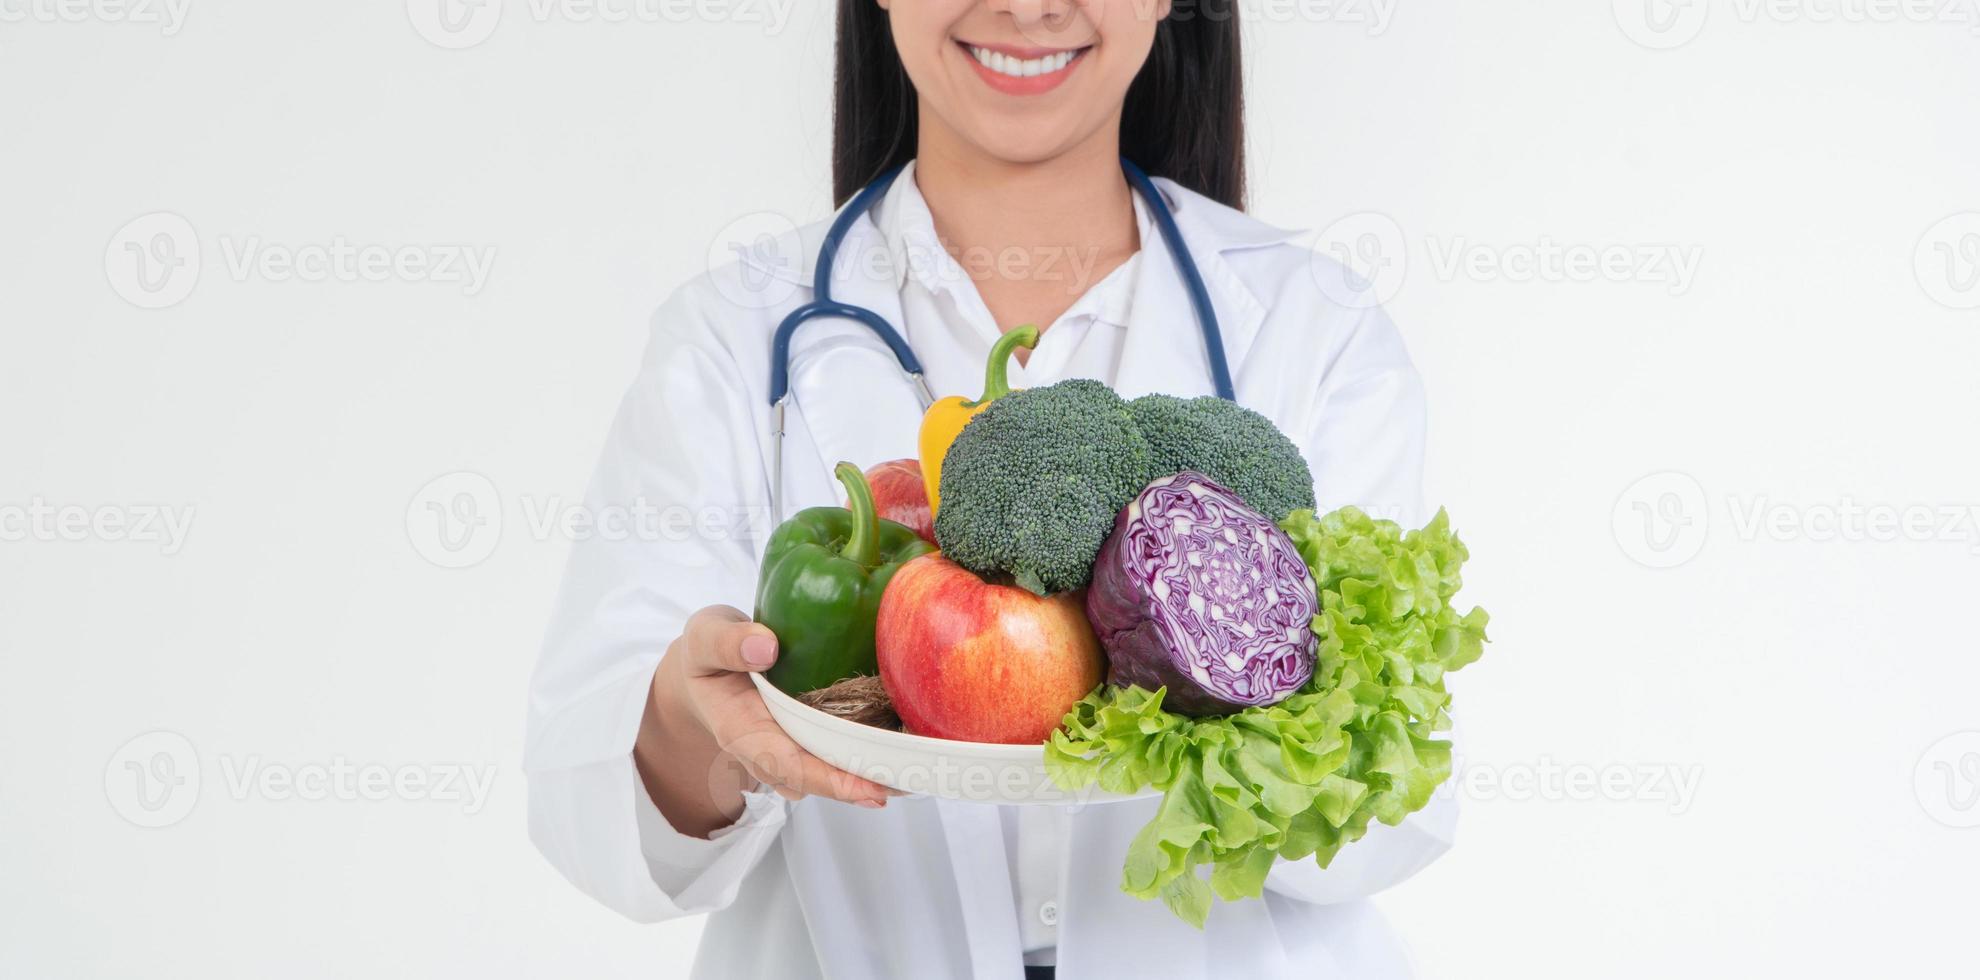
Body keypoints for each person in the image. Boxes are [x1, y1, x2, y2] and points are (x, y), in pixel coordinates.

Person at [526, 2, 1455, 977]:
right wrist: (688, 722)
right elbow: (589, 810)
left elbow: (1402, 804)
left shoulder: (1315, 326)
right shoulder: (729, 335)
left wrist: (1258, 686)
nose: (1028, 5)